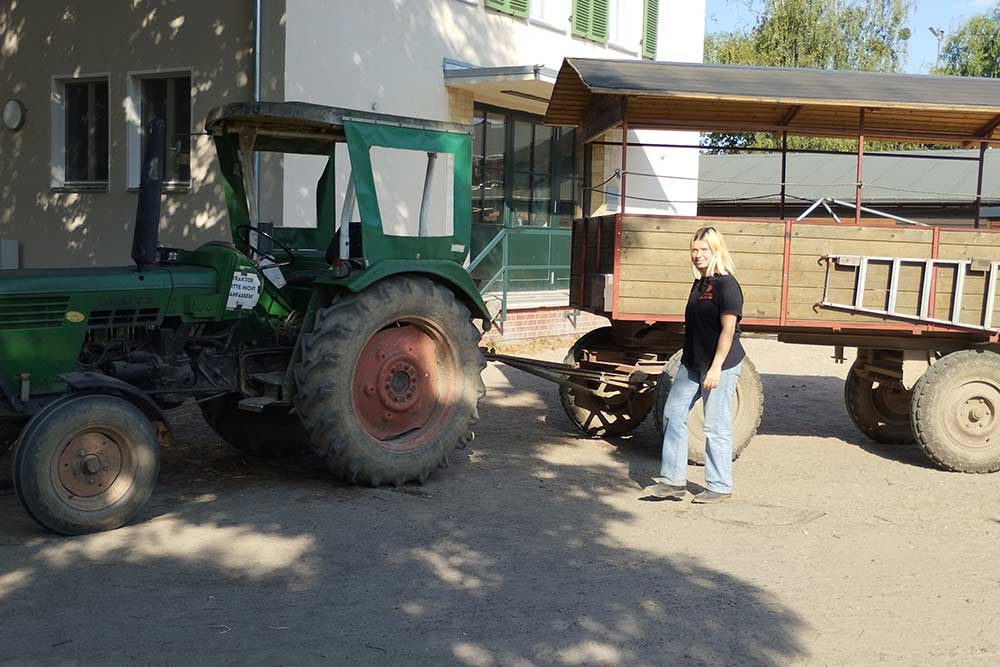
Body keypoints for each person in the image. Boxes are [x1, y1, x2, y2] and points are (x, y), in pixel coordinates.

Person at [642, 226, 745, 504]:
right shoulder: (700, 284)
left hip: (720, 366)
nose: (698, 255)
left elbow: (728, 331)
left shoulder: (727, 285)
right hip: (692, 363)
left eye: (704, 250)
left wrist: (714, 368)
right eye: (694, 250)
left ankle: (720, 486)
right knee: (672, 414)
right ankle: (673, 482)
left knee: (715, 425)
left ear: (716, 250)